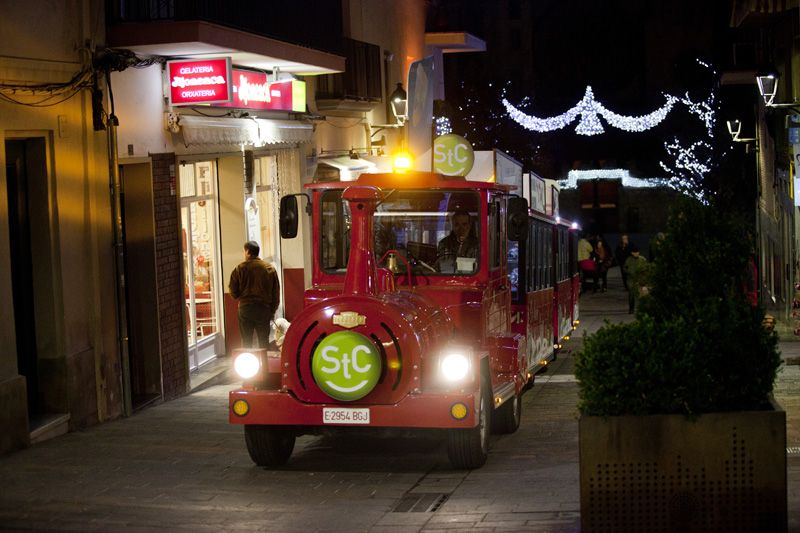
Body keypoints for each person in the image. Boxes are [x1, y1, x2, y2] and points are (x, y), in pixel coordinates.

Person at [229, 241, 280, 348]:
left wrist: (242, 297)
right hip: (263, 309)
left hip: (245, 309)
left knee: (246, 340)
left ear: (247, 252)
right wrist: (272, 311)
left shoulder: (240, 269)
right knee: (263, 340)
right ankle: (264, 363)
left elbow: (233, 292)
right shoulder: (269, 268)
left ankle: (248, 363)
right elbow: (276, 293)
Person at [624, 244, 648, 314]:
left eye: (637, 252)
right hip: (631, 280)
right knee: (631, 294)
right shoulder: (629, 259)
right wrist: (629, 272)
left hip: (640, 280)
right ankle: (631, 309)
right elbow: (624, 268)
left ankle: (643, 308)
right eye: (635, 252)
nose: (637, 253)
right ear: (632, 253)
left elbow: (646, 268)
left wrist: (643, 275)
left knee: (642, 295)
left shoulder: (642, 259)